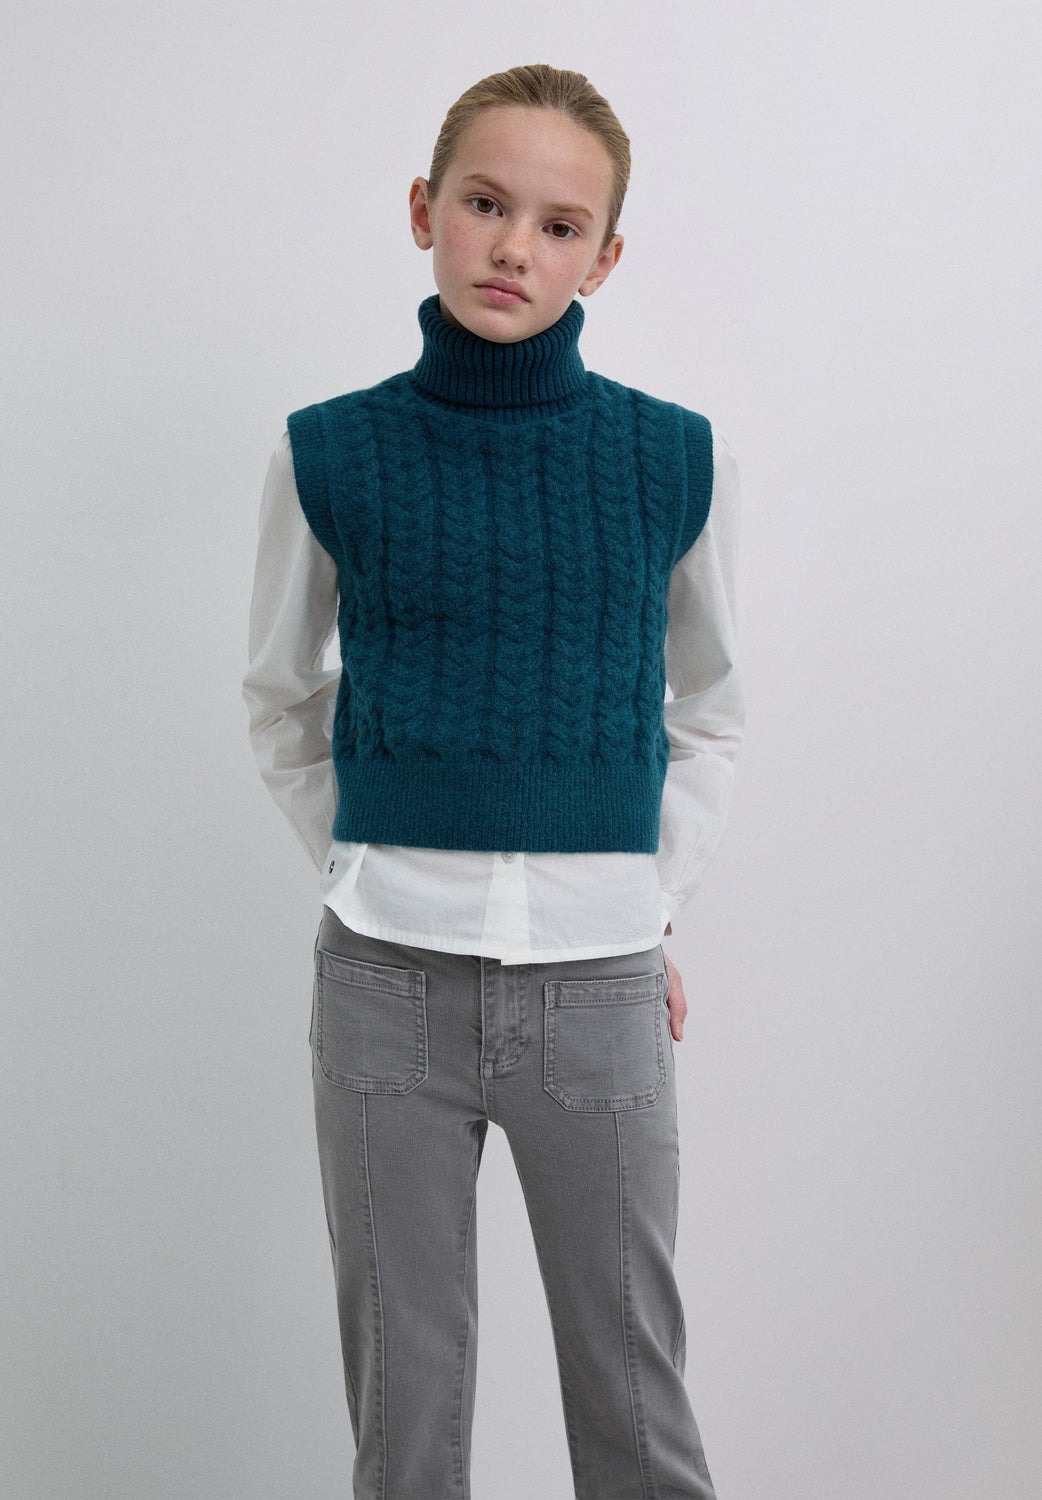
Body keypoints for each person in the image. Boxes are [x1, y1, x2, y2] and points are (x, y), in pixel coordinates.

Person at [243, 62, 743, 1500]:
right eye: (483, 204)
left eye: (559, 224)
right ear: (424, 210)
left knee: (635, 1398)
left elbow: (711, 709)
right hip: (382, 982)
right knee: (404, 1410)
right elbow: (281, 696)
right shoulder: (329, 452)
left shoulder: (671, 458)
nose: (515, 246)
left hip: (599, 985)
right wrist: (363, 860)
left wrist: (649, 903)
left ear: (605, 257)